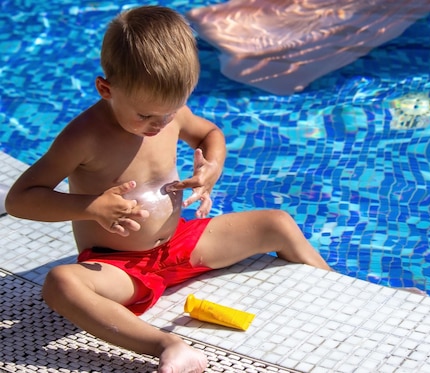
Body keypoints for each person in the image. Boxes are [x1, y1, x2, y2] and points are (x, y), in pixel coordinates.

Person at [5, 5, 331, 373]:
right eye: (145, 115)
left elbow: (209, 134)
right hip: (120, 266)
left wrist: (211, 168)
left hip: (180, 244)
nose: (159, 124)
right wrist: (91, 207)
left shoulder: (169, 114)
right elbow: (20, 200)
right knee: (60, 283)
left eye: (169, 112)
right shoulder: (84, 137)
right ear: (106, 89)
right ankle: (167, 345)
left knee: (278, 222)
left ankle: (337, 288)